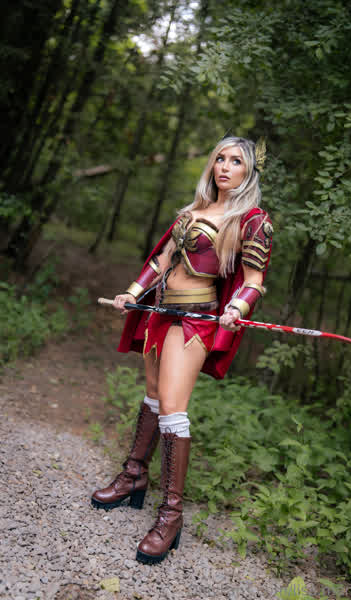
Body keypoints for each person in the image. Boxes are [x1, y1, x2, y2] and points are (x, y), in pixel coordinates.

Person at [91, 136, 273, 565]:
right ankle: (134, 476)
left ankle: (171, 516)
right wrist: (132, 292)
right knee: (153, 395)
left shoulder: (252, 221)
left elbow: (254, 280)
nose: (224, 167)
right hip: (160, 311)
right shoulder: (192, 212)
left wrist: (237, 307)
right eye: (220, 158)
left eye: (236, 161)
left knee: (173, 407)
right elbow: (163, 259)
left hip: (195, 320)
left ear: (249, 171)